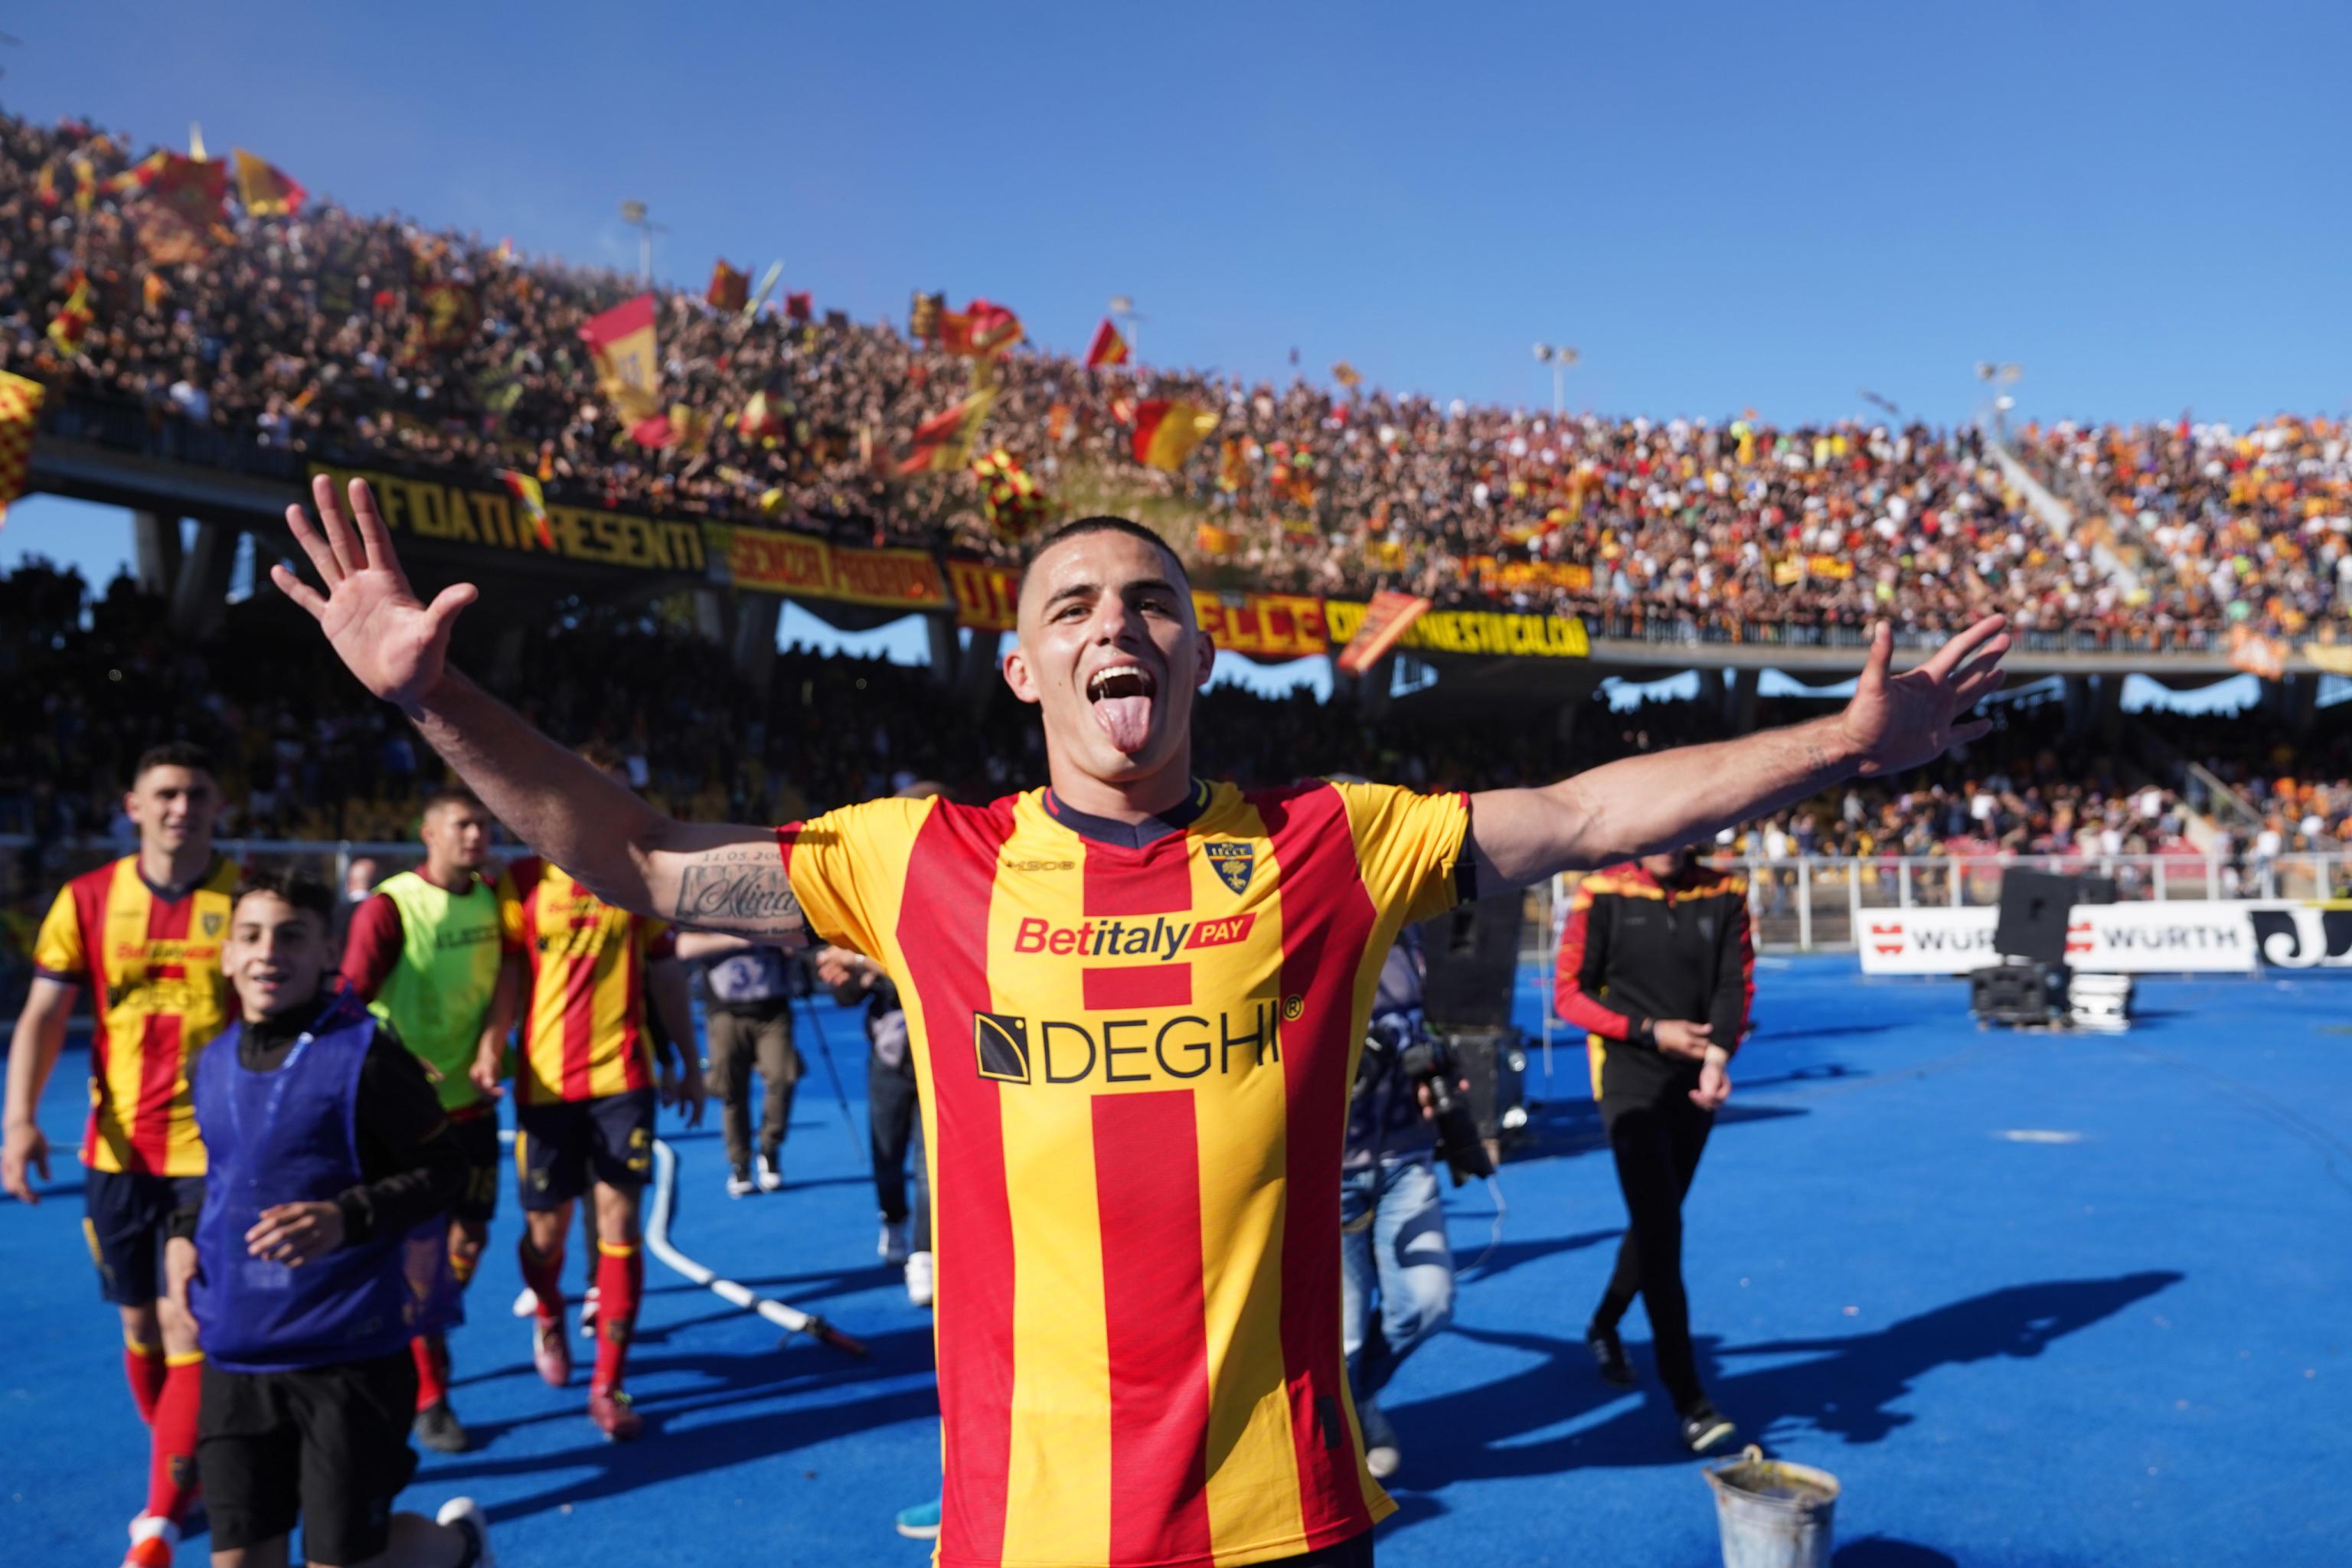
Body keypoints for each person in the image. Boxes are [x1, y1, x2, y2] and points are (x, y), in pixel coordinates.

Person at [274, 475, 2005, 1567]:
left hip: (1288, 1520)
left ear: (1194, 661)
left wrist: (1836, 744)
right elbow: (643, 859)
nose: (1119, 620)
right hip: (1022, 1533)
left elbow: (1576, 808)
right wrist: (434, 696)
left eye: (1150, 601)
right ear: (1021, 670)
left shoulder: (1324, 845)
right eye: (1072, 606)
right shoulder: (919, 862)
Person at [172, 867, 492, 1568]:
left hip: (348, 1354)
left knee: (343, 1562)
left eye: (292, 936)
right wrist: (178, 1233)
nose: (267, 953)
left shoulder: (366, 1055)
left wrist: (346, 1217)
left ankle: (459, 1547)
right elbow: (222, 1171)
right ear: (225, 954)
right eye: (250, 936)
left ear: (327, 952)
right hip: (236, 1353)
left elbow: (445, 1170)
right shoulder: (212, 1061)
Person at [2, 743, 237, 1568]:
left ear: (219, 805)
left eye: (197, 792)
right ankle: (182, 1448)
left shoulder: (244, 900)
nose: (182, 806)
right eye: (165, 792)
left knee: (185, 1316)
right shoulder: (89, 898)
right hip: (115, 1150)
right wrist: (19, 1121)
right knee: (138, 1320)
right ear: (132, 805)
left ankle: (160, 1525)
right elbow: (40, 1016)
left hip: (213, 1158)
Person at [490, 744, 705, 1442]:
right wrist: (493, 1044)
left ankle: (609, 1383)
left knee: (618, 1229)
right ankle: (550, 1309)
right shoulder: (520, 879)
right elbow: (510, 979)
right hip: (545, 1083)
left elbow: (665, 972)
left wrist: (690, 1061)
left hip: (623, 1080)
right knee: (545, 1233)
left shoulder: (634, 880)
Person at [1552, 844, 1755, 1455]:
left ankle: (1605, 1324)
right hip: (1627, 1080)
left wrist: (1720, 1056)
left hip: (1695, 1082)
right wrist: (1648, 1032)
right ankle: (1690, 1400)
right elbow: (1569, 994)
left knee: (1654, 1222)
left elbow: (1734, 985)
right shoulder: (1601, 892)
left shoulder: (1725, 894)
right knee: (1664, 1227)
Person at [339, 787, 521, 1454]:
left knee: (467, 1244)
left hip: (472, 1106)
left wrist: (490, 1046)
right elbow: (347, 1003)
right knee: (421, 1258)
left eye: (484, 824)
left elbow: (510, 970)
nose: (476, 836)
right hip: (405, 1115)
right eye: (462, 824)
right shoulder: (390, 908)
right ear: (429, 832)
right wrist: (399, 1064)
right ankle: (431, 1394)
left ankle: (421, 1323)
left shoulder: (493, 899)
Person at [1338, 924, 1455, 1483]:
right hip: (1328, 1165)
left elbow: (1417, 1021)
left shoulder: (1409, 930)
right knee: (1346, 1330)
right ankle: (1345, 1426)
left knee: (1429, 1303)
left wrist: (1432, 1066)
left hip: (1407, 1153)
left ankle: (1356, 1398)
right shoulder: (1302, 916)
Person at [815, 942, 933, 1306]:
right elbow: (846, 998)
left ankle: (924, 1255)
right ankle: (893, 1220)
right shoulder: (872, 930)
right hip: (890, 1062)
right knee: (888, 1157)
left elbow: (926, 965)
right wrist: (850, 977)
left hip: (938, 1062)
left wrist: (862, 961)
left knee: (931, 1167)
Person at [687, 935, 801, 1197]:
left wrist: (789, 944)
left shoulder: (773, 898)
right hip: (726, 1009)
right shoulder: (707, 904)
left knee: (783, 1076)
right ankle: (740, 1161)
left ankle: (770, 1146)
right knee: (730, 1090)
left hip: (773, 1007)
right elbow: (684, 946)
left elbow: (800, 938)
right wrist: (739, 940)